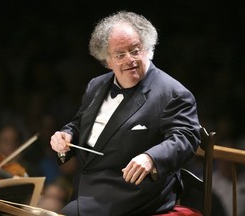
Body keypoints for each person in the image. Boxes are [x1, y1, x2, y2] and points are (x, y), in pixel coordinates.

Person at [50, 11, 201, 216]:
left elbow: (187, 137)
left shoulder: (173, 93)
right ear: (108, 61)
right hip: (84, 187)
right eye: (120, 54)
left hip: (132, 192)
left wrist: (151, 158)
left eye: (135, 50)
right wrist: (66, 134)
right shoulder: (96, 85)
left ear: (147, 49)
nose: (129, 59)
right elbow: (79, 123)